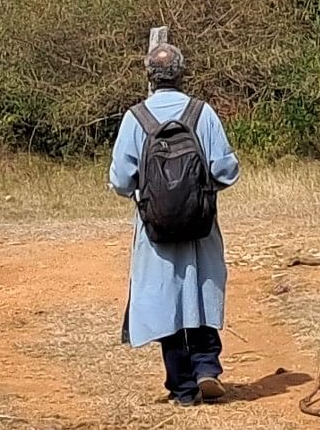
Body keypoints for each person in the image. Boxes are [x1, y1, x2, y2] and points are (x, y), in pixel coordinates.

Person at [108, 40, 241, 405]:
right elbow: (226, 171)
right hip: (201, 224)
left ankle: (183, 387)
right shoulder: (203, 113)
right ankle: (207, 368)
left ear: (150, 77)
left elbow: (121, 180)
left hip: (155, 229)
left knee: (167, 301)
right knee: (202, 290)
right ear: (182, 74)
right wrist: (198, 191)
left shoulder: (136, 118)